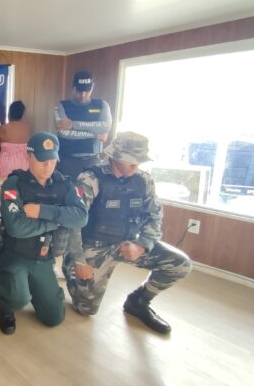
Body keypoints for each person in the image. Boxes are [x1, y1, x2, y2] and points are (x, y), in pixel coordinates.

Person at [63, 132, 192, 334]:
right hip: (94, 247)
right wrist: (78, 261)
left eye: (138, 162)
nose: (136, 166)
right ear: (116, 157)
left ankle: (139, 301)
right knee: (86, 309)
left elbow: (154, 216)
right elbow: (72, 223)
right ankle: (72, 273)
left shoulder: (144, 181)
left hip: (129, 244)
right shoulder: (90, 179)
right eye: (131, 161)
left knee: (180, 264)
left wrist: (143, 245)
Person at [0, 132, 88, 335]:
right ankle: (6, 304)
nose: (48, 166)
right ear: (28, 156)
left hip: (44, 258)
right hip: (16, 255)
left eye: (52, 160)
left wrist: (41, 211)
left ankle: (34, 287)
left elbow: (82, 217)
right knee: (18, 299)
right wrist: (57, 221)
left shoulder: (64, 184)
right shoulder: (13, 184)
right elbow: (16, 227)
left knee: (54, 317)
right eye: (42, 160)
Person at [55, 71, 112, 179]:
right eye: (79, 91)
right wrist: (95, 133)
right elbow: (64, 133)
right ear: (73, 87)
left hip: (92, 160)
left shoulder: (102, 105)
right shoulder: (62, 105)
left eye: (87, 91)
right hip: (67, 160)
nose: (83, 95)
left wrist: (73, 124)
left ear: (93, 87)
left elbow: (106, 126)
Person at [0, 100, 31, 178]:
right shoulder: (27, 129)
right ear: (22, 114)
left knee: (4, 185)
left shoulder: (2, 128)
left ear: (9, 113)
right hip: (23, 164)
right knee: (21, 185)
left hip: (5, 164)